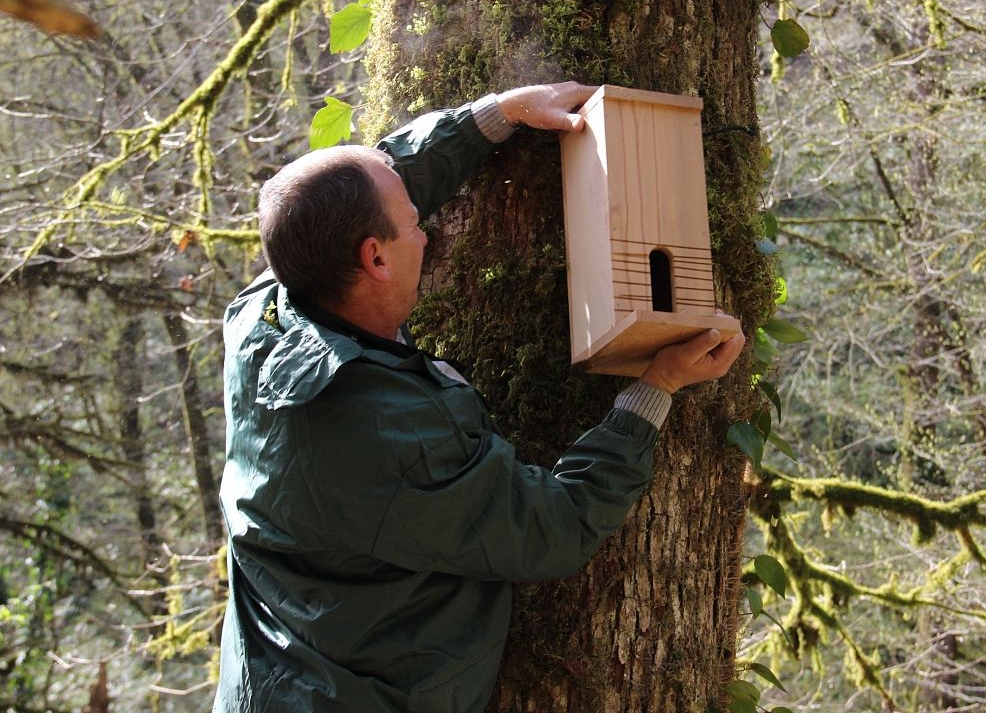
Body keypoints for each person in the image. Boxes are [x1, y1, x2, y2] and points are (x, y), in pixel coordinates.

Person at [213, 82, 745, 713]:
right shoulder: (390, 435)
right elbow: (554, 526)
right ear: (376, 259)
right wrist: (656, 388)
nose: (428, 235)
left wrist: (497, 114)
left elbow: (360, 191)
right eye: (415, 226)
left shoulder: (263, 316)